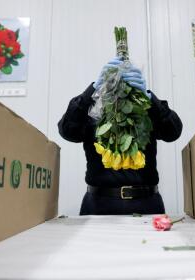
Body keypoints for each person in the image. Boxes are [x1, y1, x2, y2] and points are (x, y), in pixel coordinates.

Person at [58, 57, 182, 215]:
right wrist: (93, 89)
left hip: (147, 203)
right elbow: (67, 131)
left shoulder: (145, 107)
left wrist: (148, 96)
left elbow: (173, 132)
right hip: (99, 205)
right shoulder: (93, 109)